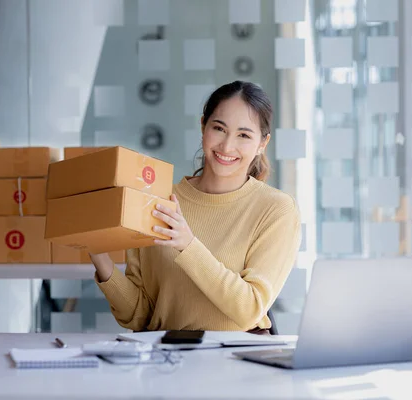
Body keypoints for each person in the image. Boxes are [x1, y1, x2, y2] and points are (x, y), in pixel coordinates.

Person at [91, 81, 301, 334]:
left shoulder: (276, 210)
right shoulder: (157, 200)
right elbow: (140, 316)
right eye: (219, 128)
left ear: (262, 144)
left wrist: (188, 245)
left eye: (244, 135)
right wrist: (98, 255)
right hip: (166, 361)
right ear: (203, 126)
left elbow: (250, 310)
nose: (226, 146)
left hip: (236, 365)